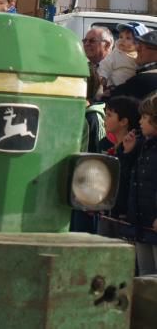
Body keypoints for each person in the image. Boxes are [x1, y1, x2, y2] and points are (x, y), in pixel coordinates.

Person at [122, 93, 157, 274]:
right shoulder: (144, 146)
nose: (140, 122)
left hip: (153, 223)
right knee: (145, 277)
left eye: (145, 117)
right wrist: (128, 153)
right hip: (142, 224)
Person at [97, 96, 141, 239]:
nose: (105, 119)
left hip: (122, 216)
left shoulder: (135, 148)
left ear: (123, 121)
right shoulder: (108, 145)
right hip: (107, 212)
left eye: (109, 115)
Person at [99, 22, 146, 94]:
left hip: (132, 88)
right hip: (115, 87)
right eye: (121, 37)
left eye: (128, 38)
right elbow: (105, 65)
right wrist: (103, 77)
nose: (122, 40)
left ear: (139, 42)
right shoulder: (116, 54)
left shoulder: (140, 56)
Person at [110, 29, 157, 101]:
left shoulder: (144, 79)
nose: (137, 48)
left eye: (142, 47)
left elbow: (113, 98)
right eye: (137, 44)